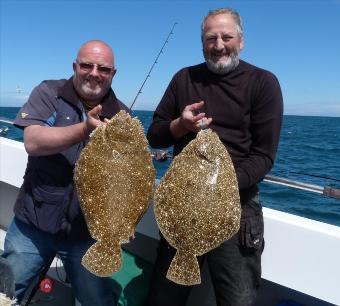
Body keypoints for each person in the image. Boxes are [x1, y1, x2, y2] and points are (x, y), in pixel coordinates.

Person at [146, 8, 283, 306]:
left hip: (237, 208)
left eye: (226, 36)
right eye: (211, 38)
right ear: (202, 43)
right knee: (164, 298)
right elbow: (155, 135)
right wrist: (180, 125)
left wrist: (218, 190)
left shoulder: (263, 82)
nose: (219, 44)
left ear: (241, 41)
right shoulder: (184, 78)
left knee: (237, 299)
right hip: (183, 208)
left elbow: (263, 156)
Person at [1, 40, 129, 306]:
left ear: (113, 74)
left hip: (87, 234)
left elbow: (128, 177)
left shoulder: (123, 117)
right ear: (75, 66)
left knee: (96, 300)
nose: (94, 73)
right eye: (86, 65)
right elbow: (33, 141)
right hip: (32, 224)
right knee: (7, 290)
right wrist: (84, 129)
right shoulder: (50, 92)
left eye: (103, 69)